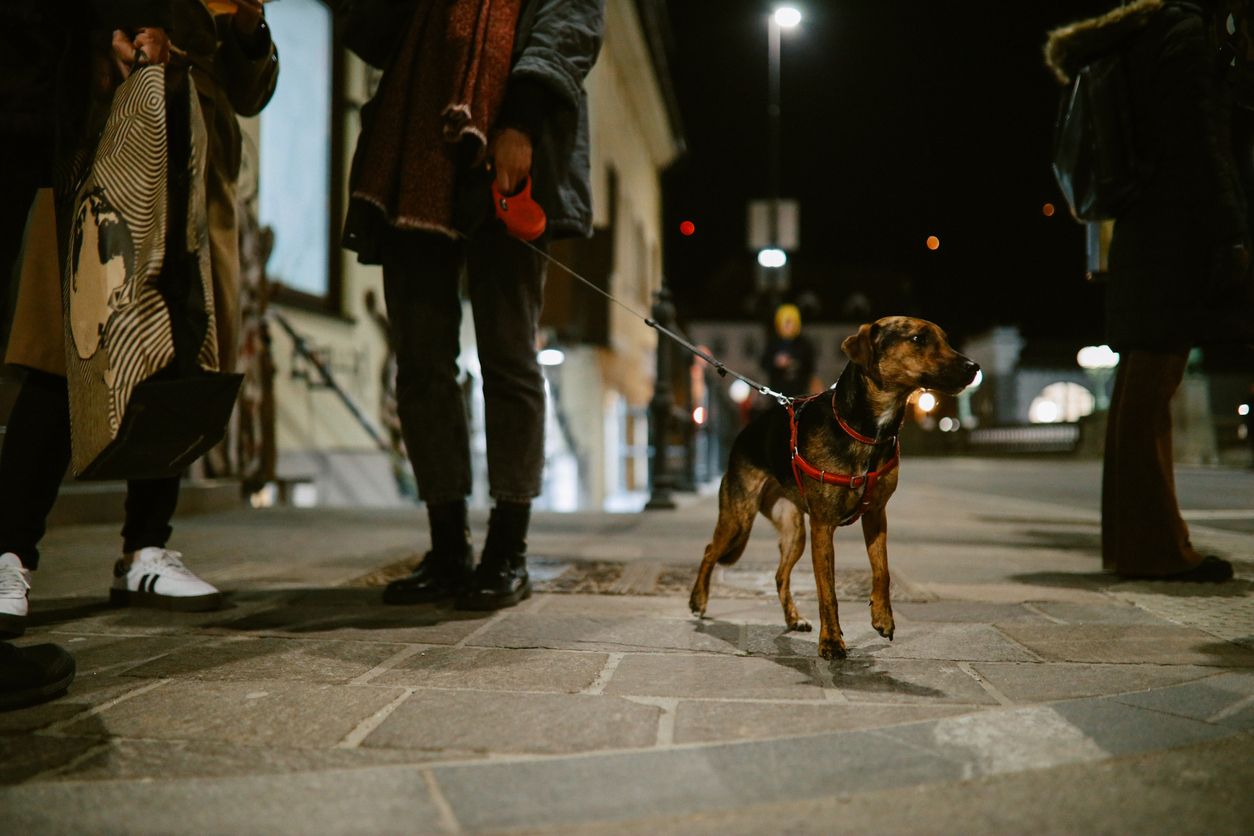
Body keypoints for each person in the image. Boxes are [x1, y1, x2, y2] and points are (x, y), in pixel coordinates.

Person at [0, 1, 279, 638]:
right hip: (109, 121)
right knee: (71, 338)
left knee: (179, 348)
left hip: (195, 143)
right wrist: (112, 38)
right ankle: (9, 551)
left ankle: (146, 548)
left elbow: (251, 90)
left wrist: (246, 31)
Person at [343, 0, 604, 610]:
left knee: (509, 355)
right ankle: (448, 547)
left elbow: (572, 24)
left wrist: (520, 122)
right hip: (415, 150)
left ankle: (507, 550)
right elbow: (376, 31)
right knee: (421, 360)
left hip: (511, 150)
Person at [1049, 0, 1254, 581]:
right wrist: (1232, 231)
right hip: (1175, 233)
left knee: (1139, 392)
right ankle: (1154, 548)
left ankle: (1136, 544)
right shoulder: (1185, 36)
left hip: (1142, 232)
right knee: (1151, 389)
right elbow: (1201, 143)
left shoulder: (1142, 38)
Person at [759, 303, 817, 400]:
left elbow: (810, 367)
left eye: (792, 322)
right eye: (786, 322)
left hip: (799, 394)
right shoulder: (773, 343)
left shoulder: (804, 344)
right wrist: (776, 362)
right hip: (777, 394)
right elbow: (763, 363)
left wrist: (795, 364)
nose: (789, 326)